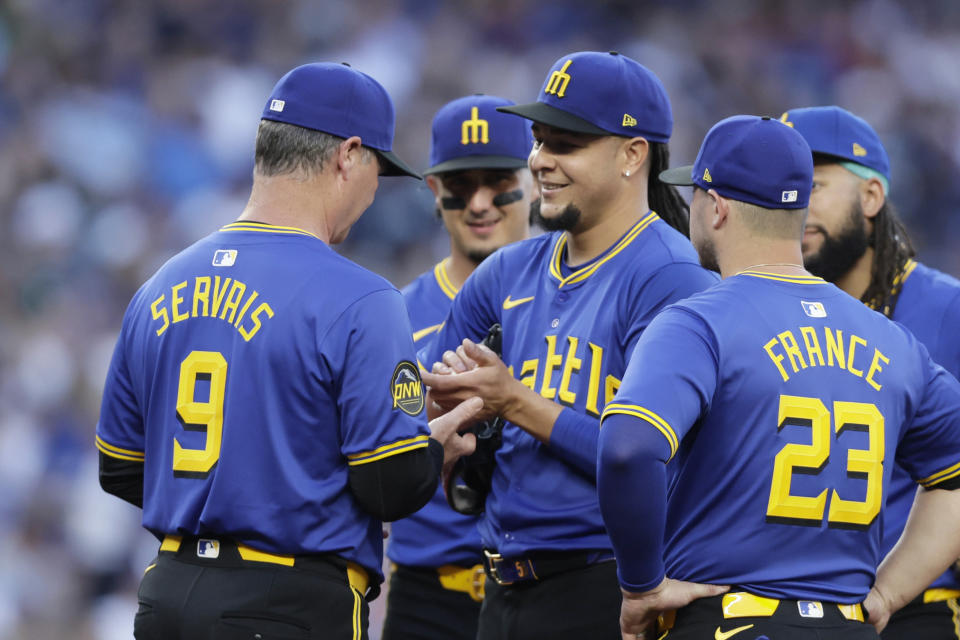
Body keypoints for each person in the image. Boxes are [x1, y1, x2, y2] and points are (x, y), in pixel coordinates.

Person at [95, 62, 482, 640]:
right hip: (288, 603)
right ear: (348, 155)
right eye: (378, 167)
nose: (376, 190)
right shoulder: (361, 296)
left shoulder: (159, 286)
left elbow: (121, 468)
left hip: (167, 597)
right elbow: (391, 485)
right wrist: (429, 448)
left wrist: (238, 485)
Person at [597, 114, 960, 640]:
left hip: (729, 620)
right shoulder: (891, 339)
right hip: (846, 626)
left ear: (716, 206)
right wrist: (887, 593)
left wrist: (641, 587)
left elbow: (627, 448)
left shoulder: (697, 321)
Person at [419, 51, 718, 640]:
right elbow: (430, 413)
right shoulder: (505, 273)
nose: (539, 161)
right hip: (502, 589)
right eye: (538, 140)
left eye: (566, 144)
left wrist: (513, 402)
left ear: (633, 154)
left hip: (609, 587)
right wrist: (446, 427)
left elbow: (655, 463)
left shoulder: (671, 275)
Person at [782, 104, 960, 640]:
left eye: (814, 185)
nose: (793, 205)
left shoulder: (946, 309)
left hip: (915, 601)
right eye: (785, 189)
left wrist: (890, 593)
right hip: (792, 601)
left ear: (871, 197)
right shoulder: (772, 309)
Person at [382, 94, 535, 640]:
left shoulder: (578, 300)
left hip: (544, 588)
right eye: (459, 184)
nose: (479, 202)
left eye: (497, 181)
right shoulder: (394, 314)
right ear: (432, 190)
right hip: (428, 595)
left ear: (534, 178)